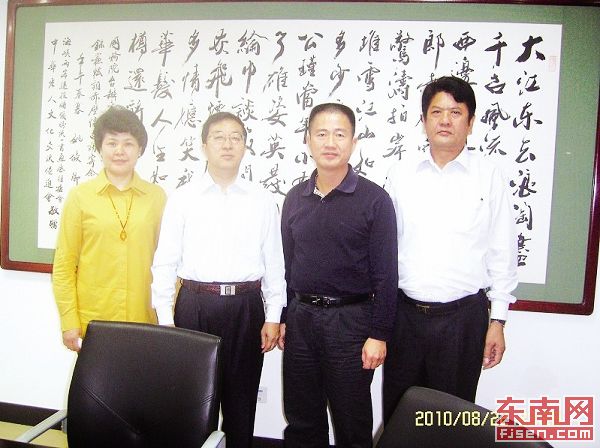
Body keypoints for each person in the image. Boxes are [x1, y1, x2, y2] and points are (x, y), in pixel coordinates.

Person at [382, 76, 518, 422]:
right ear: (423, 120)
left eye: (455, 113)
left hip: (463, 320)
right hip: (405, 317)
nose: (445, 120)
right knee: (400, 417)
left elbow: (502, 251)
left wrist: (498, 320)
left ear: (470, 123)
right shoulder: (401, 174)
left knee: (452, 420)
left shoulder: (489, 176)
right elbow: (383, 247)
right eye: (436, 112)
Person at [151, 112, 285, 448]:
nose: (228, 144)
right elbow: (164, 262)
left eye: (236, 137)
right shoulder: (183, 198)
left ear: (244, 146)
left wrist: (273, 315)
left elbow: (274, 262)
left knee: (242, 401)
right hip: (194, 305)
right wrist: (165, 319)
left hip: (246, 307)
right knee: (194, 402)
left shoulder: (262, 199)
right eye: (219, 137)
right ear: (204, 146)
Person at [278, 103, 398, 448]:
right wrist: (284, 317)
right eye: (321, 134)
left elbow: (386, 274)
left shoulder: (375, 200)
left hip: (351, 323)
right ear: (308, 140)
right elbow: (286, 265)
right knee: (302, 419)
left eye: (340, 134)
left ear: (353, 142)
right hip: (301, 319)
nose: (330, 142)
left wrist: (379, 334)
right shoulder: (295, 198)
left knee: (351, 422)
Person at [53, 105, 166, 352]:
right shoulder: (80, 197)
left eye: (128, 143)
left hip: (144, 319)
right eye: (112, 143)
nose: (119, 151)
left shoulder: (157, 198)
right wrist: (69, 321)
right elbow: (64, 265)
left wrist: (168, 316)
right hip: (94, 322)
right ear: (100, 148)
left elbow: (168, 262)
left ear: (140, 149)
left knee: (141, 378)